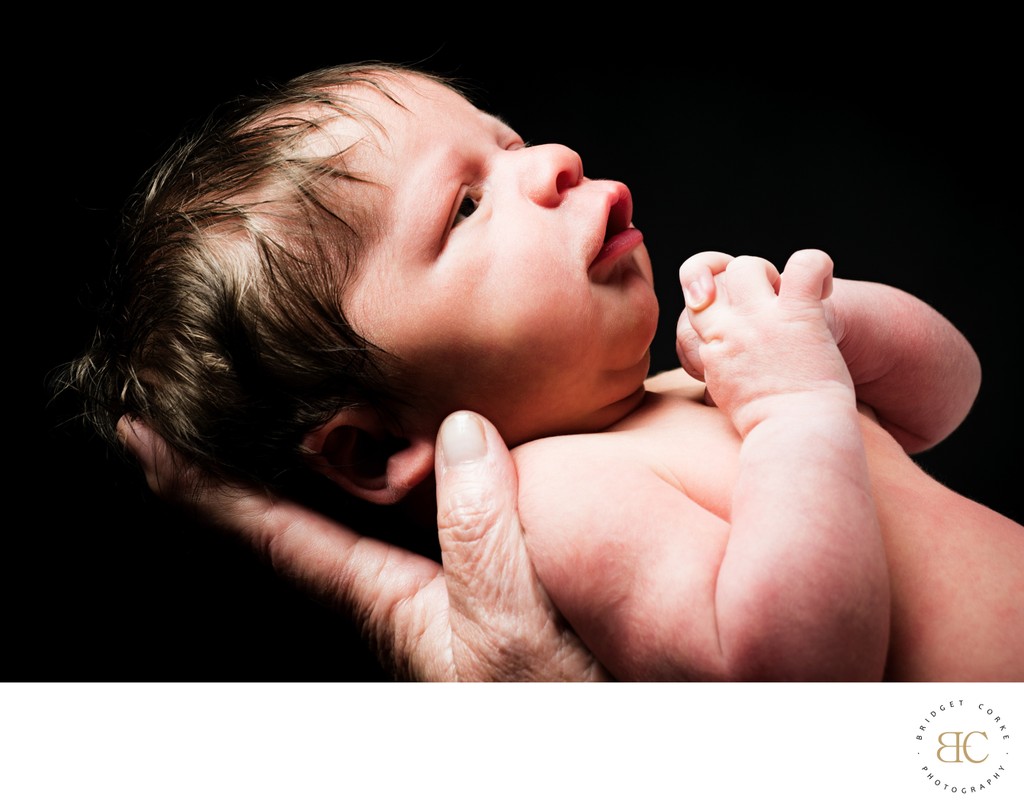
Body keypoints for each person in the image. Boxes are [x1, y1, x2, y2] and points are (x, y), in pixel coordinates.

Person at [64, 62, 1023, 681]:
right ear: (374, 445)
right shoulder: (566, 499)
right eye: (468, 207)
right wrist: (797, 401)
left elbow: (944, 400)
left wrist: (824, 323)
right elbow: (798, 679)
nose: (555, 162)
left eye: (508, 139)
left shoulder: (698, 387)